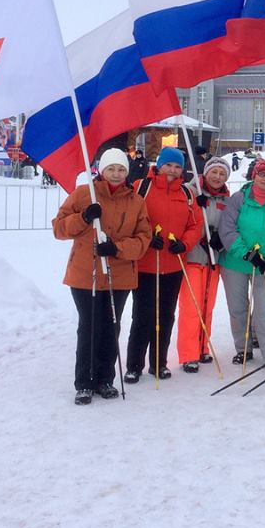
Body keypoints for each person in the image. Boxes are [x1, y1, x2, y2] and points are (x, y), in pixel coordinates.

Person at [52, 148, 152, 405]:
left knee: (111, 327)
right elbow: (60, 228)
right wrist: (84, 217)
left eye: (121, 169)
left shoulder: (136, 201)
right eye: (111, 169)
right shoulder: (85, 194)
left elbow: (143, 238)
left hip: (119, 275)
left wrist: (117, 248)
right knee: (89, 326)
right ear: (101, 170)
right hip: (87, 273)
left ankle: (105, 378)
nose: (116, 174)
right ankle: (84, 382)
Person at [124, 147, 203, 383]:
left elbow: (195, 225)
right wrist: (147, 238)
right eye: (168, 165)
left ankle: (159, 363)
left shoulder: (187, 194)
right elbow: (130, 219)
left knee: (166, 315)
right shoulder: (141, 187)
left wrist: (185, 243)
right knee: (142, 315)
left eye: (177, 166)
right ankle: (134, 364)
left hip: (173, 264)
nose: (172, 170)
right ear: (159, 165)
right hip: (146, 264)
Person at [219, 159, 265, 372]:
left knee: (264, 309)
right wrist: (246, 254)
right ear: (254, 176)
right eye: (262, 174)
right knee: (238, 308)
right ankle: (243, 348)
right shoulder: (238, 199)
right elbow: (228, 230)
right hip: (236, 263)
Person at [176, 156, 230, 373]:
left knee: (208, 305)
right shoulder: (190, 191)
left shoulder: (227, 199)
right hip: (193, 256)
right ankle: (188, 353)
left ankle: (201, 346)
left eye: (222, 173)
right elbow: (183, 219)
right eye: (214, 172)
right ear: (206, 172)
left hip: (214, 257)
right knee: (191, 307)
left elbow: (230, 226)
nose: (217, 177)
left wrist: (221, 240)